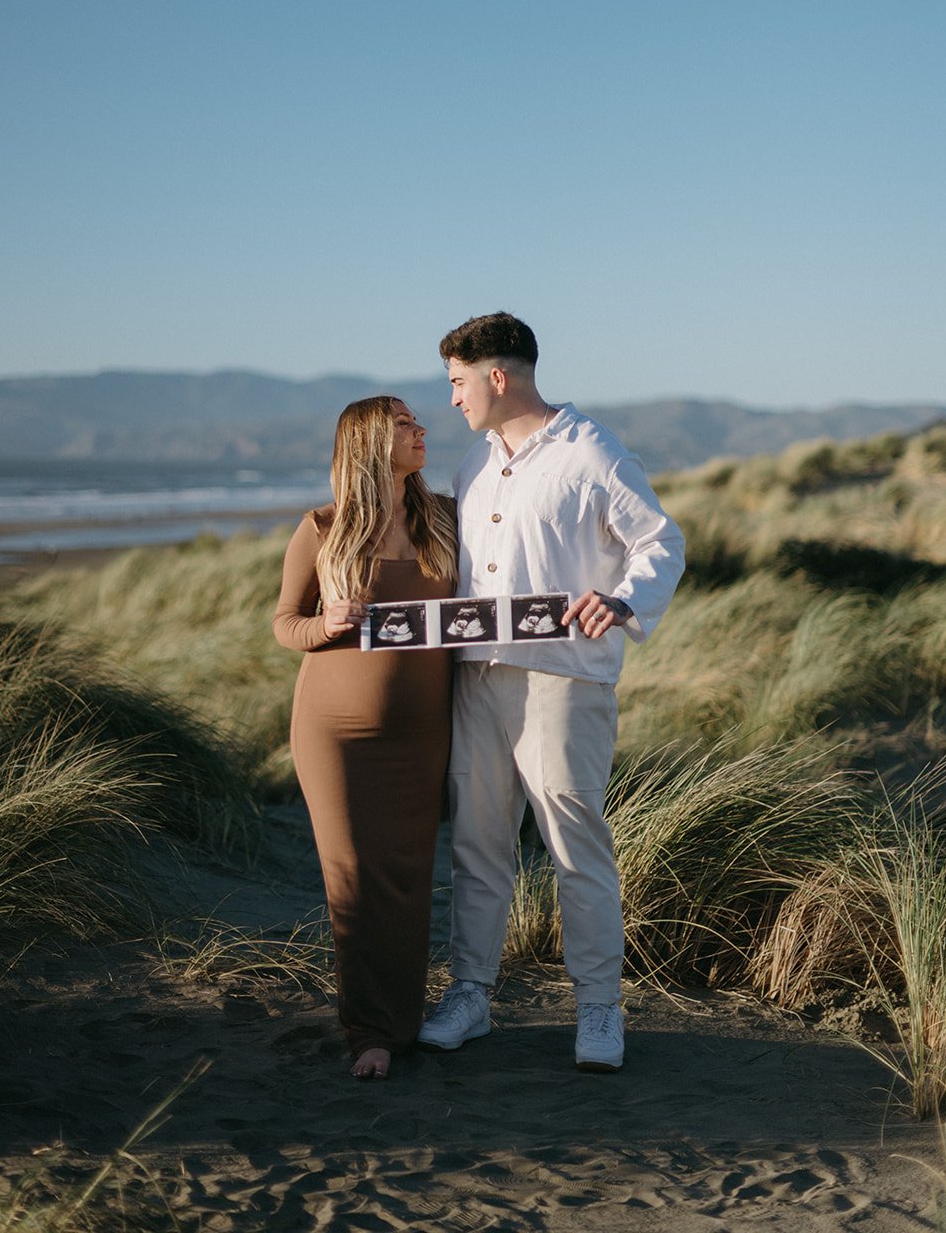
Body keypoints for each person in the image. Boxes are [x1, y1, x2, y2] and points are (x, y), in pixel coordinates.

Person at [418, 313, 685, 1072]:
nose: (454, 400)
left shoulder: (590, 451)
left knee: (574, 842)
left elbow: (660, 540)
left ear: (496, 377)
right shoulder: (475, 464)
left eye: (458, 383)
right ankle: (469, 995)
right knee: (477, 842)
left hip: (564, 678)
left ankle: (599, 1008)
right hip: (476, 676)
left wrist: (625, 600)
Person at [273, 396, 458, 1079]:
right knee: (351, 877)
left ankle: (399, 1022)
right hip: (334, 733)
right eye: (406, 425)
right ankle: (369, 1034)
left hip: (422, 734)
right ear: (370, 443)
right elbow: (285, 622)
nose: (421, 431)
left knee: (405, 880)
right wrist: (325, 626)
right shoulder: (321, 530)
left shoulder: (442, 520)